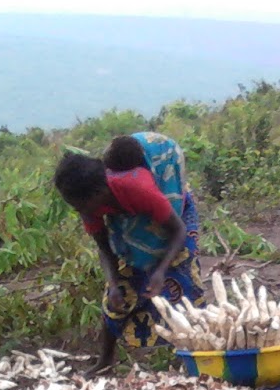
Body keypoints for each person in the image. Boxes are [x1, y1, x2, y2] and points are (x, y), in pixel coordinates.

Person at [53, 133, 204, 373]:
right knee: (117, 298)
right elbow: (104, 247)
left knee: (183, 285)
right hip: (127, 214)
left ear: (97, 194)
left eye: (80, 206)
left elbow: (178, 231)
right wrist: (113, 283)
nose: (80, 212)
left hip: (173, 222)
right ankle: (105, 361)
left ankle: (197, 356)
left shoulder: (139, 189)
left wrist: (160, 271)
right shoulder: (89, 203)